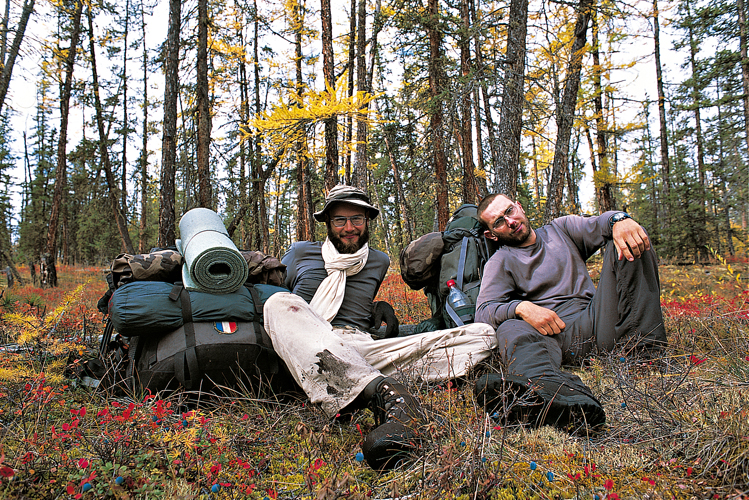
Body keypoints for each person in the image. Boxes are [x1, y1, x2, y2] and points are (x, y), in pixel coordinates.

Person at [263, 185, 497, 470]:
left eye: (357, 219)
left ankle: (362, 380)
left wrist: (379, 305)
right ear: (327, 222)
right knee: (278, 303)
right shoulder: (301, 253)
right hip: (311, 342)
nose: (349, 228)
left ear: (367, 221)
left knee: (482, 335)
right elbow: (275, 295)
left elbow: (354, 300)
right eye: (340, 220)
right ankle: (385, 392)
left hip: (363, 347)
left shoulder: (378, 260)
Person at [474, 193, 667, 432]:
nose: (510, 221)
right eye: (499, 222)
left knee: (631, 240)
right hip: (557, 337)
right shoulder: (501, 260)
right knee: (509, 325)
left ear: (519, 207)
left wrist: (620, 220)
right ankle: (547, 391)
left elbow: (600, 224)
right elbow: (483, 311)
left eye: (510, 211)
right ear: (491, 235)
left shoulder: (560, 230)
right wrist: (521, 307)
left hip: (597, 320)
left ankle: (645, 354)